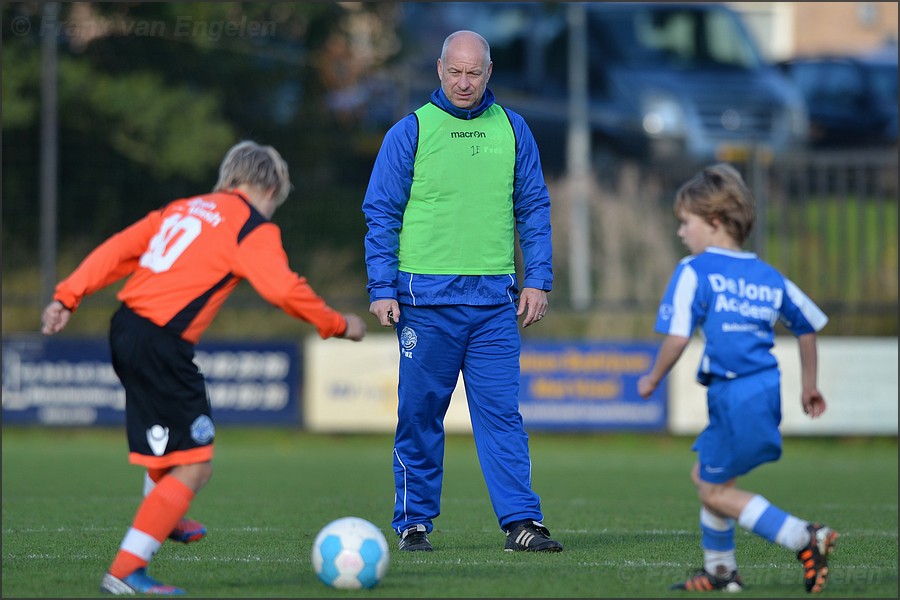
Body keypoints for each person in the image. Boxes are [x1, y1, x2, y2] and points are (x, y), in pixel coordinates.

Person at [41, 140, 367, 595]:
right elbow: (283, 289)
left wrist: (66, 296)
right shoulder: (251, 226)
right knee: (195, 466)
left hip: (125, 328)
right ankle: (125, 572)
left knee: (172, 449)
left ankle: (168, 515)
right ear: (269, 187)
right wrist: (338, 324)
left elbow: (119, 249)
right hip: (160, 343)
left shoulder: (183, 209)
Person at [361, 30, 561, 553]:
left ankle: (522, 522)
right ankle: (414, 524)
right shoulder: (410, 132)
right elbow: (380, 213)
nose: (465, 82)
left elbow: (534, 209)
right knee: (420, 415)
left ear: (489, 72)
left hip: (495, 304)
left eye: (475, 73)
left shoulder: (514, 130)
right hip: (424, 305)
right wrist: (382, 286)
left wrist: (538, 277)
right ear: (439, 69)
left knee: (501, 418)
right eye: (456, 72)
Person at [637, 163, 838, 593]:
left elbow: (676, 338)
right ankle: (722, 573)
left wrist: (652, 378)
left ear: (713, 222)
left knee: (712, 491)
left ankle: (804, 536)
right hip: (762, 391)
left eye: (684, 223)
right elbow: (806, 324)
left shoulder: (695, 270)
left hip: (734, 395)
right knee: (708, 480)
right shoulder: (767, 275)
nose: (680, 233)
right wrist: (809, 385)